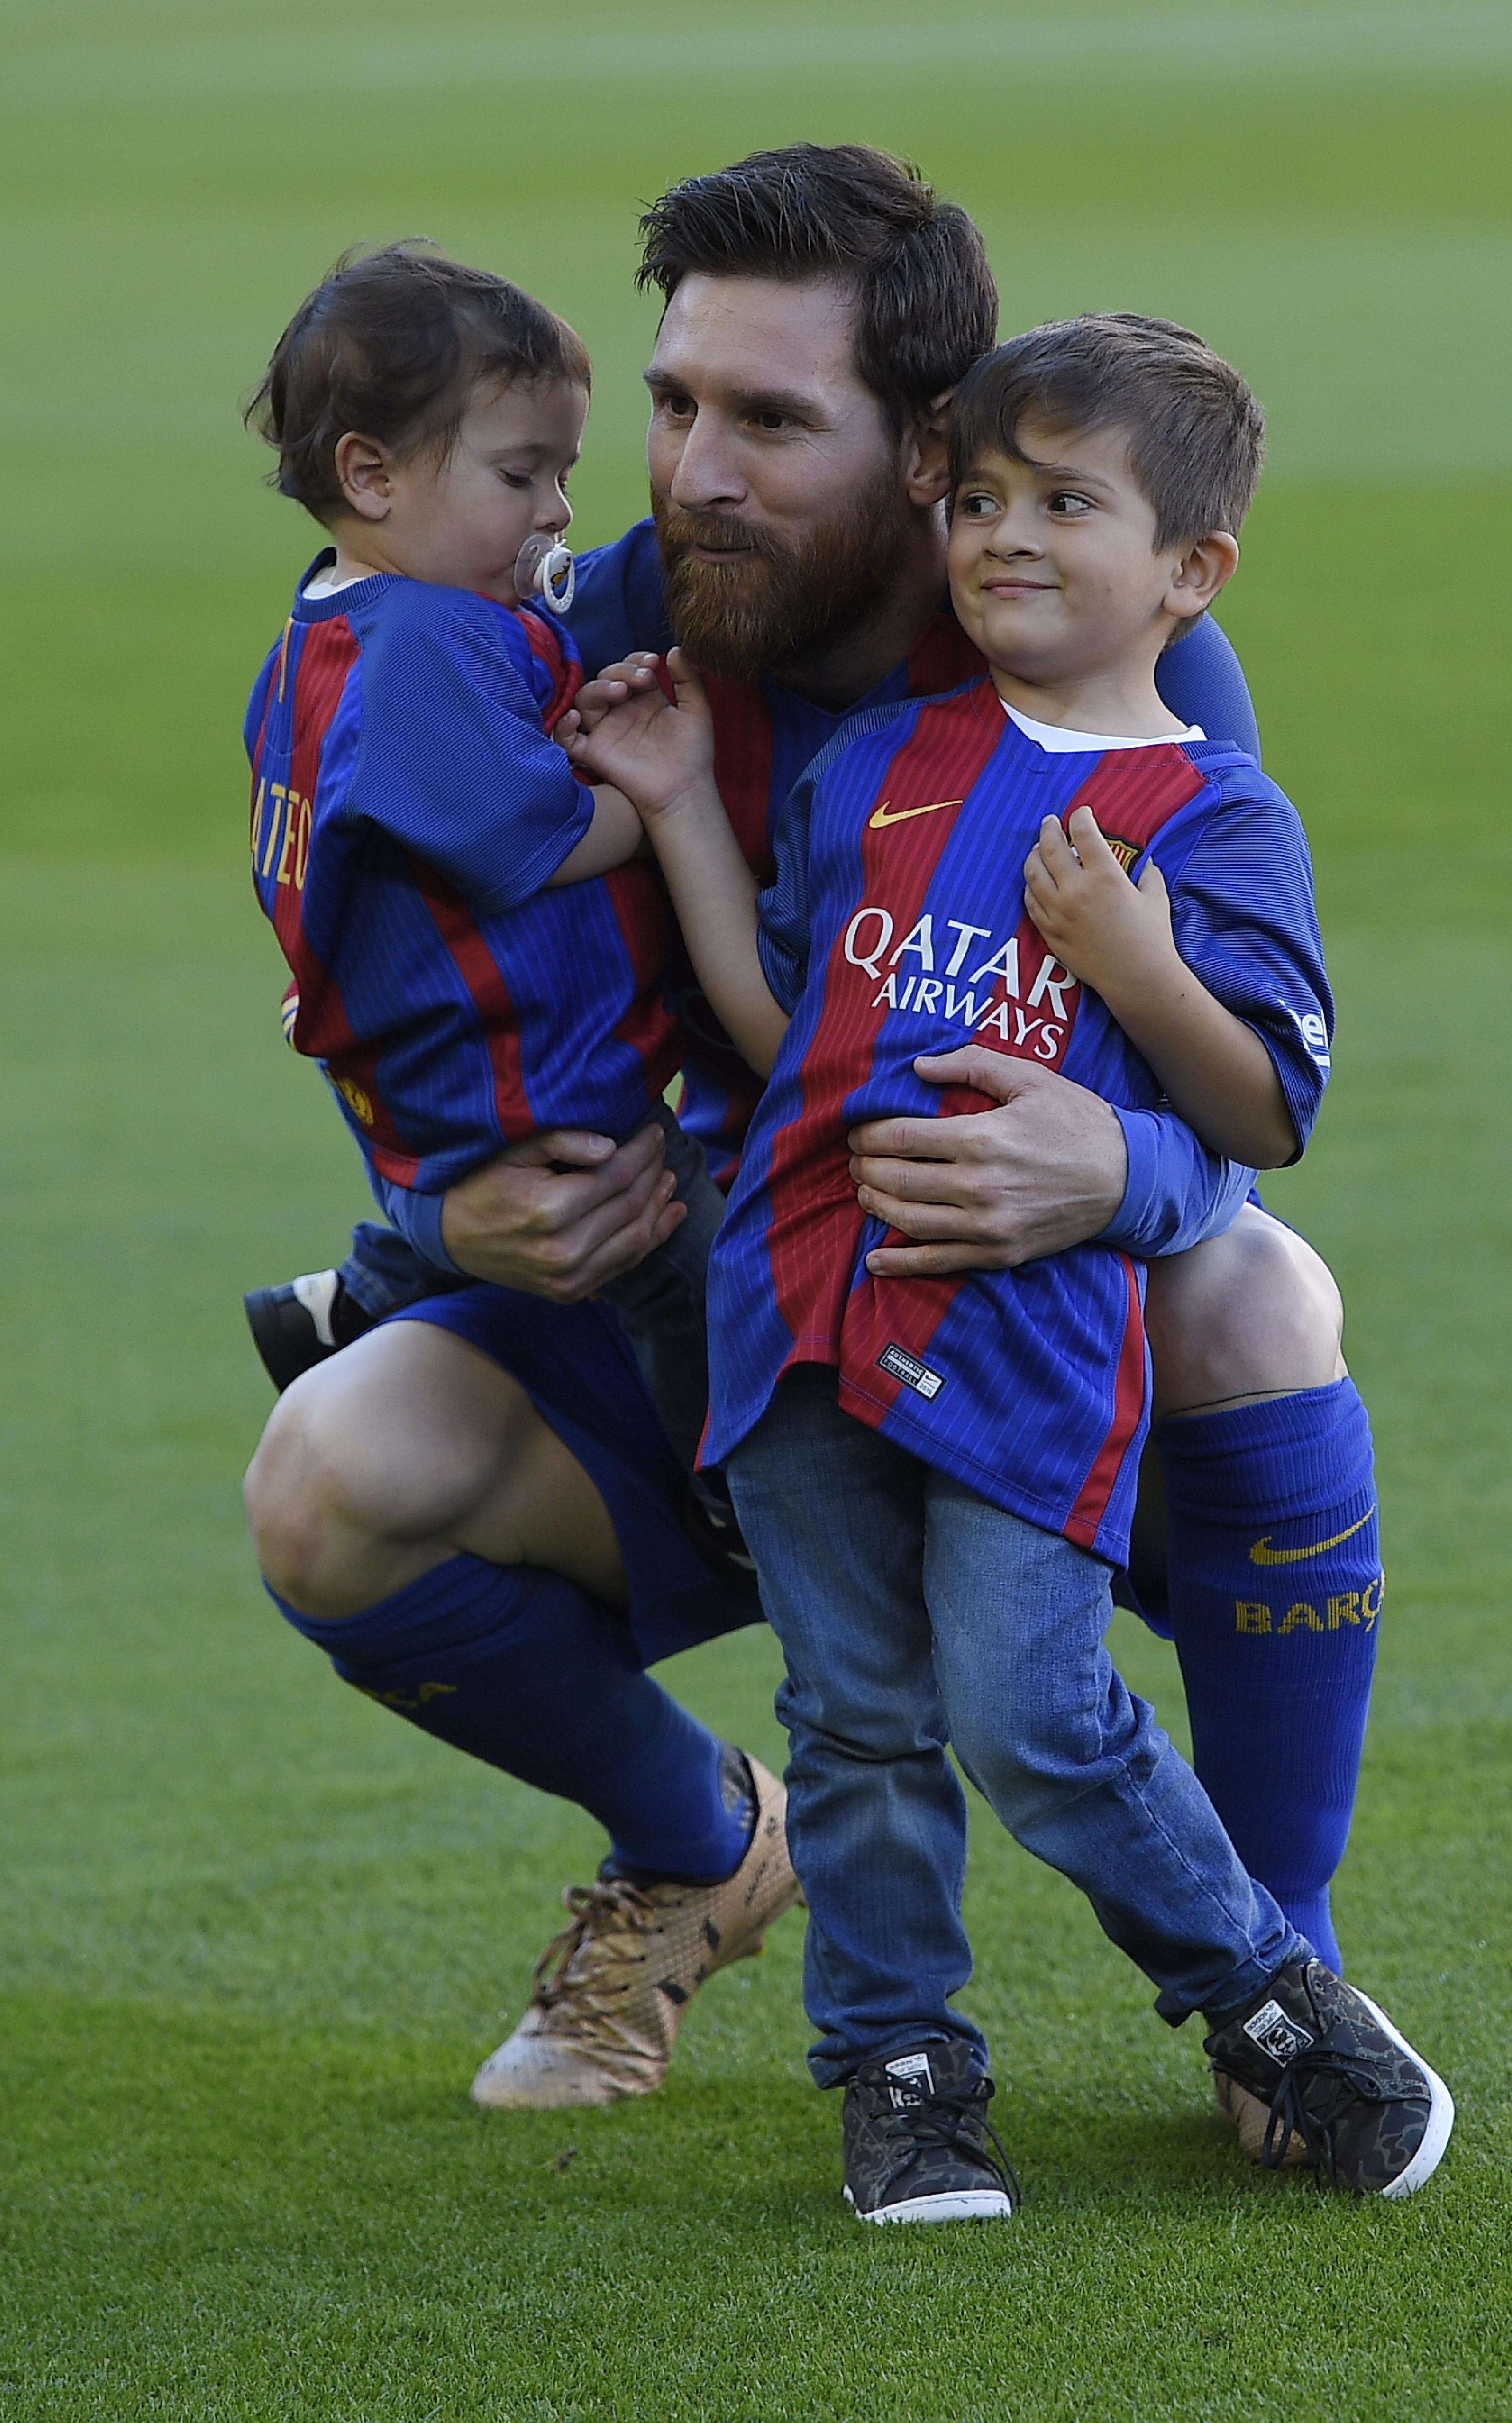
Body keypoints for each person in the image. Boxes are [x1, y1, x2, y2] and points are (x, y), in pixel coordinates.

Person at [243, 148, 1381, 2120]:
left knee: (1257, 1297)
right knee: (330, 1474)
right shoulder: (586, 626)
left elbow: (1228, 1081)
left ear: (934, 448)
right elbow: (406, 982)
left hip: (997, 1320)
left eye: (769, 420)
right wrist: (455, 1209)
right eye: (676, 404)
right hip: (718, 1316)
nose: (688, 470)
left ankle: (1279, 1970)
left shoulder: (1120, 655)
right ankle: (698, 1842)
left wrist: (1126, 1175)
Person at [566, 310, 1453, 2218]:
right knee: (855, 1718)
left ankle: (1263, 1991)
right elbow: (781, 1016)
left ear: (1190, 571)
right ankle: (902, 2068)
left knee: (1028, 1706)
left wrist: (1135, 969)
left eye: (1068, 502)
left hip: (1028, 1328)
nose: (1007, 536)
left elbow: (1270, 1103)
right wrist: (667, 811)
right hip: (800, 1302)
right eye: (976, 498)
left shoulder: (1213, 811)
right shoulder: (883, 756)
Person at [241, 241, 802, 2097]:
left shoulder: (337, 627)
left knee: (598, 1235)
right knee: (679, 1279)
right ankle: (742, 1494)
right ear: (371, 474)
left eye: (570, 470)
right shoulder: (411, 638)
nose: (564, 512)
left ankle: (381, 1291)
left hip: (472, 1100)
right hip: (543, 1103)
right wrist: (640, 799)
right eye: (519, 475)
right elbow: (503, 846)